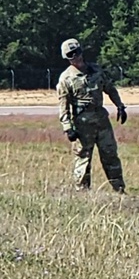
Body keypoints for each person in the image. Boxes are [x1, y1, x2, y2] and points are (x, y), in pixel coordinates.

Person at [55, 38, 127, 193]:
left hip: (102, 121)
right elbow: (63, 106)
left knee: (110, 156)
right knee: (83, 159)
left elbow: (110, 88)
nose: (76, 57)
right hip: (82, 125)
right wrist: (68, 128)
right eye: (71, 55)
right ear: (67, 58)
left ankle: (119, 190)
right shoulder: (66, 79)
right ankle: (82, 192)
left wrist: (120, 106)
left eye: (77, 52)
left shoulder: (96, 71)